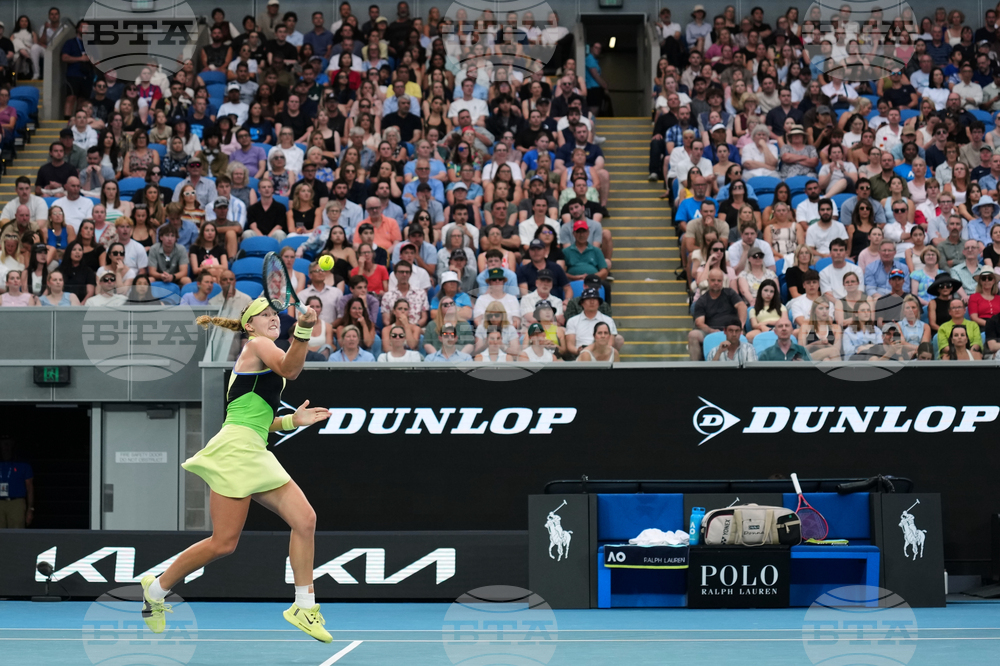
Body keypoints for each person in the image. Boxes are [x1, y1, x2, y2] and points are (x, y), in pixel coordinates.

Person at [145, 298, 332, 639]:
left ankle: (304, 607)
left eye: (276, 314)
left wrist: (292, 420)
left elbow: (255, 420)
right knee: (224, 543)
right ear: (250, 326)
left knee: (300, 521)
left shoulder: (260, 354)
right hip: (237, 450)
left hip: (250, 446)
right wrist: (303, 330)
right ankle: (155, 590)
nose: (273, 318)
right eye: (265, 315)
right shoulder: (258, 345)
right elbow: (291, 369)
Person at [0, 437, 33, 528]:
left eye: (8, 444)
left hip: (16, 503)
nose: (6, 448)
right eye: (3, 444)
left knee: (16, 534)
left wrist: (30, 509)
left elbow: (29, 487)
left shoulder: (23, 465)